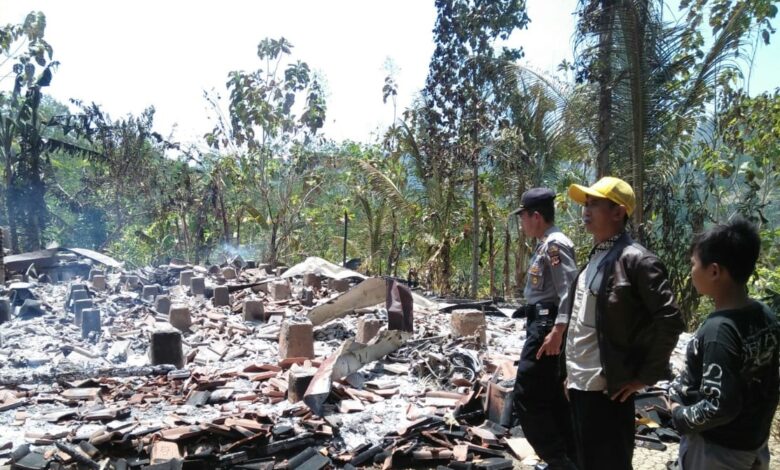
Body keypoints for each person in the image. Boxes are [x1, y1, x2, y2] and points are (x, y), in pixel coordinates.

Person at [564, 176, 685, 470]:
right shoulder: (597, 257)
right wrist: (569, 374)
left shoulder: (637, 260)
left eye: (594, 204)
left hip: (608, 387)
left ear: (618, 212)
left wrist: (645, 375)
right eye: (586, 204)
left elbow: (670, 319)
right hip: (581, 384)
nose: (586, 210)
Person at [666, 218, 780, 470]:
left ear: (714, 271)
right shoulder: (765, 315)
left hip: (717, 452)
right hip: (752, 442)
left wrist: (679, 414)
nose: (691, 271)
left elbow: (720, 406)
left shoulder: (719, 330)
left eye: (693, 264)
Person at [510, 187, 578, 470]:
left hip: (547, 326)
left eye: (523, 216)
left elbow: (570, 290)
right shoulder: (546, 243)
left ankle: (557, 458)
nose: (522, 222)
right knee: (551, 394)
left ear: (535, 216)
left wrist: (558, 331)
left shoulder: (555, 244)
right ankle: (572, 458)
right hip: (542, 322)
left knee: (526, 393)